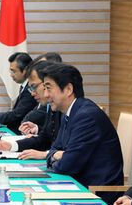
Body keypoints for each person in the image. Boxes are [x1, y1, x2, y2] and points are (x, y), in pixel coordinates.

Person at [43, 63, 123, 204]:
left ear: (68, 89)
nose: (45, 95)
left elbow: (66, 166)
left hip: (96, 192)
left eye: (48, 88)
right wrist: (56, 154)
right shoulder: (69, 112)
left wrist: (58, 156)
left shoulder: (86, 116)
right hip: (77, 184)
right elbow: (55, 149)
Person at [0, 61, 62, 159]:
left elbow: (70, 153)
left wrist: (45, 154)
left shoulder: (81, 113)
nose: (32, 93)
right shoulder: (52, 107)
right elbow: (44, 138)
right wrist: (11, 146)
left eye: (34, 87)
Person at [20, 52, 63, 130]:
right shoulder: (51, 104)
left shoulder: (62, 107)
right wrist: (37, 129)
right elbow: (49, 134)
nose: (32, 94)